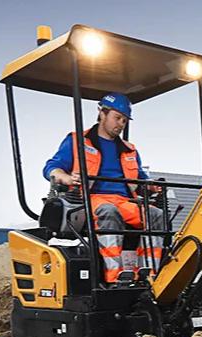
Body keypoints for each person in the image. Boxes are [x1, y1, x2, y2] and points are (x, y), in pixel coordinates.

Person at [43, 93, 164, 284]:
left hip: (124, 201)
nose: (120, 124)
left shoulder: (129, 149)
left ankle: (150, 274)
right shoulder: (77, 141)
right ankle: (114, 276)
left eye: (124, 120)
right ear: (102, 113)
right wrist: (66, 177)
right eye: (117, 118)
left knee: (155, 215)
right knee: (109, 211)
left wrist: (151, 185)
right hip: (91, 199)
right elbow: (51, 167)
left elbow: (140, 178)